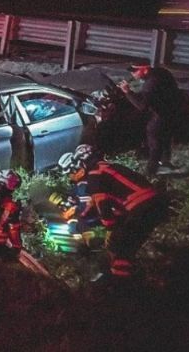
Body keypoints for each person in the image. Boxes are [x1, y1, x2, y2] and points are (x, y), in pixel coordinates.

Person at [59, 144, 168, 280]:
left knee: (118, 246)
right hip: (153, 201)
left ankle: (121, 284)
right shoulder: (109, 167)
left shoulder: (94, 176)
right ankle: (144, 268)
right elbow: (113, 201)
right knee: (132, 239)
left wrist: (110, 228)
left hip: (141, 206)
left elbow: (102, 205)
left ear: (81, 163)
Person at [119, 63, 181, 176]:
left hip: (161, 114)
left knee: (154, 140)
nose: (132, 74)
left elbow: (142, 106)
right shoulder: (161, 72)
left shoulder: (150, 83)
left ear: (145, 69)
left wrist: (128, 92)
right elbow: (154, 95)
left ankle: (151, 171)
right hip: (173, 110)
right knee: (166, 137)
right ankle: (165, 162)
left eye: (135, 71)